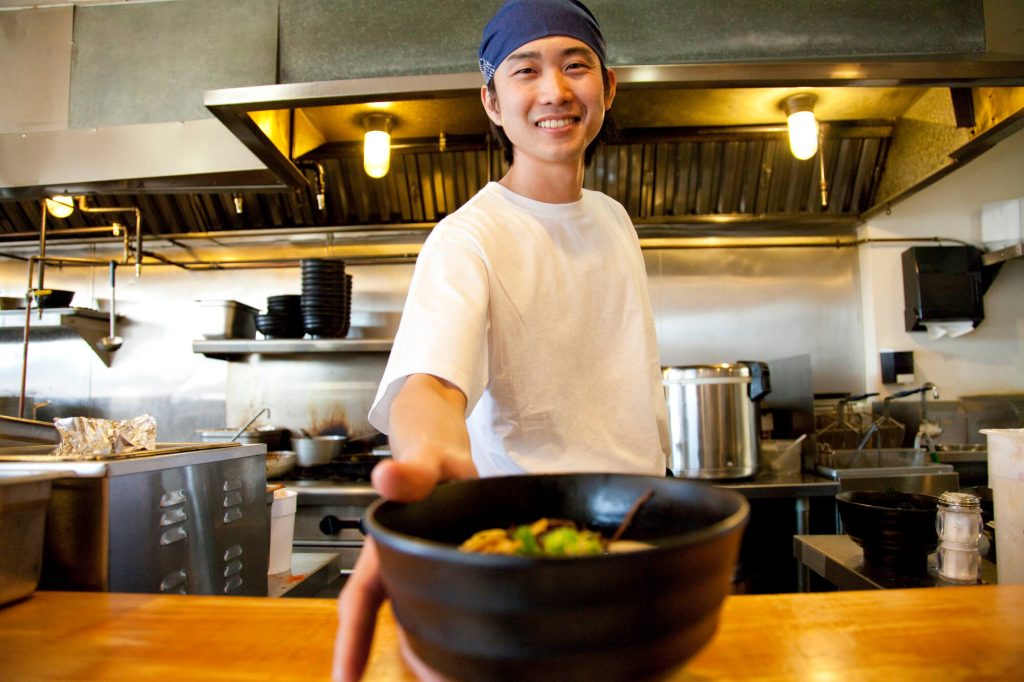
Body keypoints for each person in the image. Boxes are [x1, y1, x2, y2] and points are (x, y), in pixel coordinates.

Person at [333, 1, 669, 679]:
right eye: (526, 70)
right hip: (528, 560)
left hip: (642, 542)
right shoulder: (468, 238)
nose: (555, 90)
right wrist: (430, 461)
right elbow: (430, 383)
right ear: (491, 100)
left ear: (608, 87)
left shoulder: (614, 219)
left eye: (576, 66)